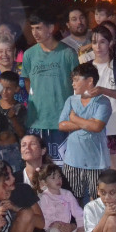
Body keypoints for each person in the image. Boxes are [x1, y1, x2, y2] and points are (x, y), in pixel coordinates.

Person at [21, 11, 78, 165]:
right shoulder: (29, 55)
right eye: (32, 28)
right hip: (37, 121)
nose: (35, 33)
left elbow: (77, 86)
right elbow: (27, 82)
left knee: (62, 166)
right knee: (37, 166)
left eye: (39, 28)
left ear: (51, 28)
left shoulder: (68, 53)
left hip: (61, 120)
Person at [85, 26, 116, 186]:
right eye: (94, 42)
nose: (98, 47)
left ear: (111, 43)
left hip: (115, 128)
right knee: (95, 177)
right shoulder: (85, 68)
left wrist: (103, 90)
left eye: (102, 42)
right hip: (91, 129)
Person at [57, 62, 111, 203]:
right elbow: (62, 125)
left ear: (90, 81)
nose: (73, 84)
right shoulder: (71, 100)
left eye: (76, 79)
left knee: (98, 200)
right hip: (72, 161)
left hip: (96, 162)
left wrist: (74, 119)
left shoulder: (103, 102)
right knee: (72, 199)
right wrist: (87, 123)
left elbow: (97, 127)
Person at [34, 162, 89, 232]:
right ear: (44, 182)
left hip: (67, 230)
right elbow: (43, 217)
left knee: (90, 230)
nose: (58, 180)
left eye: (59, 177)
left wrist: (80, 226)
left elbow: (78, 211)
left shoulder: (67, 194)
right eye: (53, 178)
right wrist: (52, 225)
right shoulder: (43, 198)